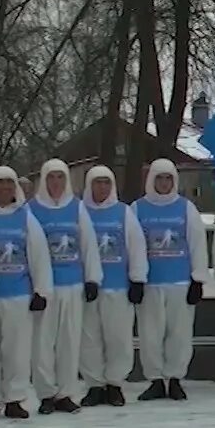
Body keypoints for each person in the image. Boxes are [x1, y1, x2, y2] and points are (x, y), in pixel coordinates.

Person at [128, 157, 210, 400]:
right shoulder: (137, 209)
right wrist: (136, 278)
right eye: (159, 178)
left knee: (179, 333)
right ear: (151, 180)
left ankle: (175, 378)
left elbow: (197, 245)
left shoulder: (186, 208)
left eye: (168, 178)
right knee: (150, 334)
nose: (163, 183)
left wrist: (198, 279)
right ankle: (155, 379)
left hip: (180, 283)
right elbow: (131, 247)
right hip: (151, 283)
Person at [0, 166, 50, 419]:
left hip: (18, 294)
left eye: (10, 182)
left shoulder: (25, 216)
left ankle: (15, 399)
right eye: (0, 182)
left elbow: (38, 256)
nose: (5, 187)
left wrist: (41, 290)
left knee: (17, 351)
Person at [29, 158, 99, 414]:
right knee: (43, 343)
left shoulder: (77, 208)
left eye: (60, 177)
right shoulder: (32, 209)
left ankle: (66, 393)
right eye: (51, 178)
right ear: (44, 180)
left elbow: (88, 244)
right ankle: (46, 394)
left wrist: (92, 278)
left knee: (70, 341)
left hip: (72, 285)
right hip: (45, 289)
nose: (56, 183)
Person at [77, 165, 134, 407]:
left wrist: (137, 278)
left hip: (117, 286)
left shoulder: (123, 212)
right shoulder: (80, 211)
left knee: (118, 337)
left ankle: (115, 384)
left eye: (106, 183)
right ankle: (94, 385)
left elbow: (136, 247)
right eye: (97, 183)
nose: (102, 188)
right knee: (88, 338)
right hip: (86, 289)